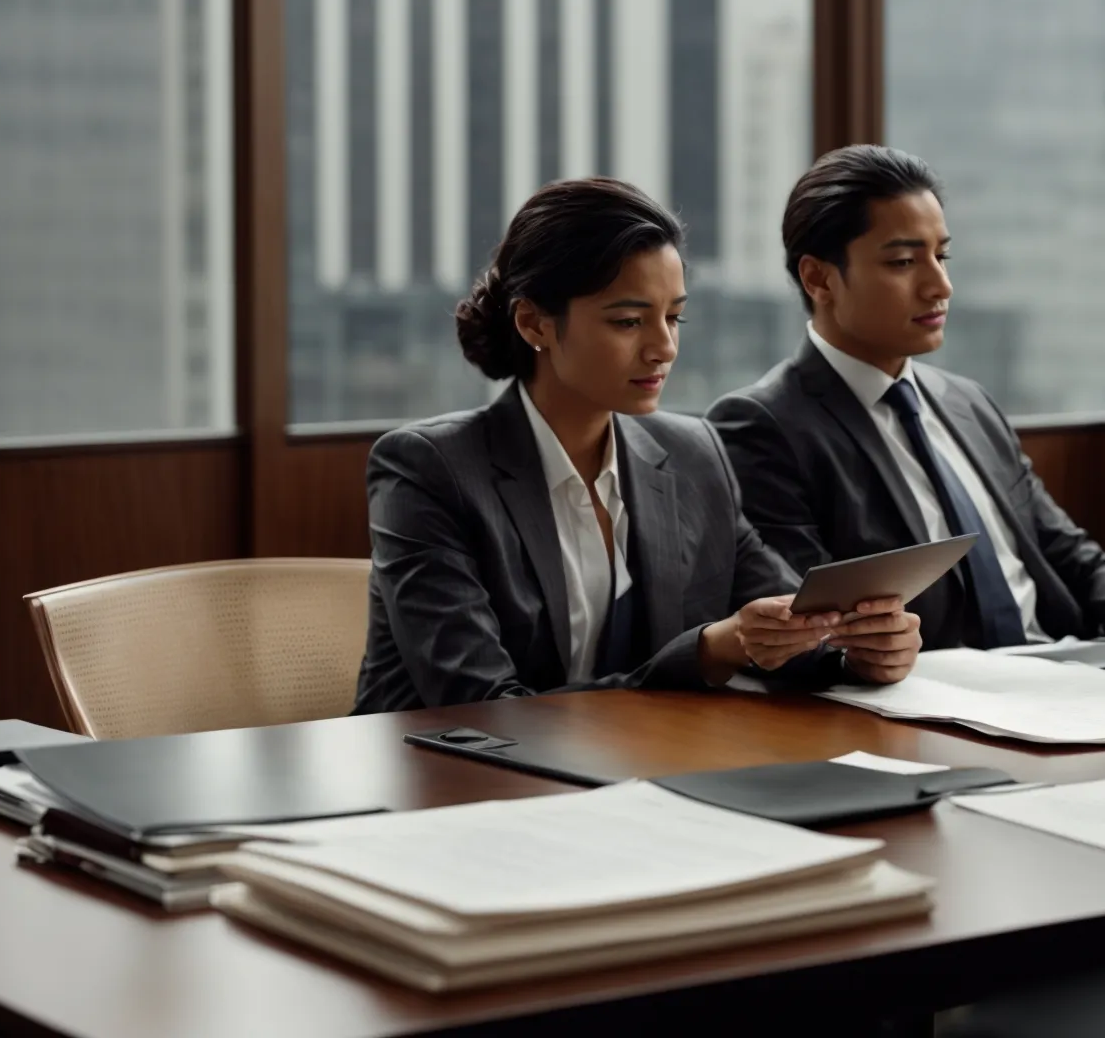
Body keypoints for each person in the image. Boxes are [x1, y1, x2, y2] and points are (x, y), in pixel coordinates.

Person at [353, 178, 921, 713]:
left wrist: (856, 649)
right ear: (534, 324)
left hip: (629, 771)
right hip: (448, 782)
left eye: (674, 318)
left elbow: (782, 621)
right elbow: (481, 702)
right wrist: (709, 651)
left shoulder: (693, 451)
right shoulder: (430, 470)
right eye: (628, 322)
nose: (664, 348)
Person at [705, 145, 1105, 668]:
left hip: (1072, 675)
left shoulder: (966, 403)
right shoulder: (762, 424)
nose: (940, 286)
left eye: (941, 255)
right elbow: (802, 627)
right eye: (903, 263)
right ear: (819, 277)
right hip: (933, 705)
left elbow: (1066, 552)